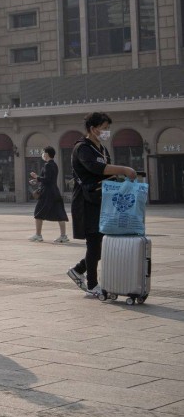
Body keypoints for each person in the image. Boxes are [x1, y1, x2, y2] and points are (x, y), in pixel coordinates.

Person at [66, 112, 137, 295]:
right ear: (93, 128)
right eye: (104, 128)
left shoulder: (102, 150)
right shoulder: (82, 148)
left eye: (108, 128)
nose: (107, 132)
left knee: (101, 243)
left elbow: (107, 173)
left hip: (102, 200)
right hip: (86, 201)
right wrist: (123, 169)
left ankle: (78, 270)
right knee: (94, 243)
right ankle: (91, 285)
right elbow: (95, 168)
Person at [29, 146, 69, 243]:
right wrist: (37, 180)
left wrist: (37, 177)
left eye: (43, 152)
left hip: (47, 193)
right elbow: (48, 179)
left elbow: (47, 180)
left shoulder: (47, 165)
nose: (42, 154)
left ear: (46, 154)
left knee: (38, 213)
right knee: (60, 213)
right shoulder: (54, 165)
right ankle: (63, 236)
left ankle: (38, 235)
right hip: (55, 191)